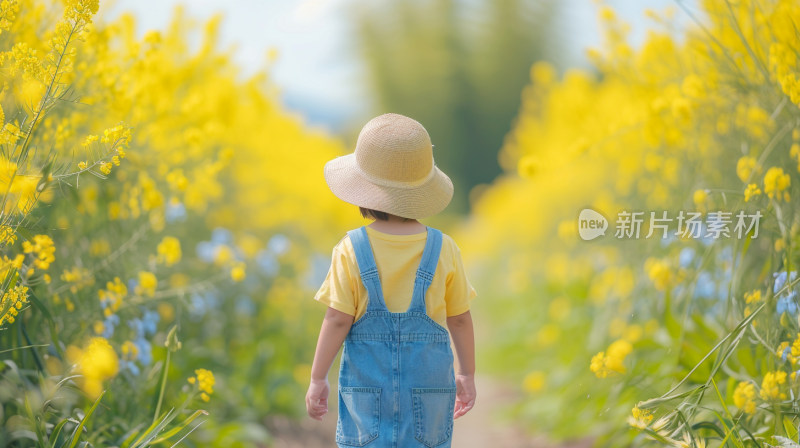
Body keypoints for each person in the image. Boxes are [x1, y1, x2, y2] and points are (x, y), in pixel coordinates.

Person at [306, 113, 477, 447]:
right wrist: (466, 374)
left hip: (367, 386)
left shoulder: (350, 249)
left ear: (363, 191)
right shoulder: (444, 248)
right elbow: (459, 319)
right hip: (429, 385)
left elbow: (338, 319)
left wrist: (317, 377)